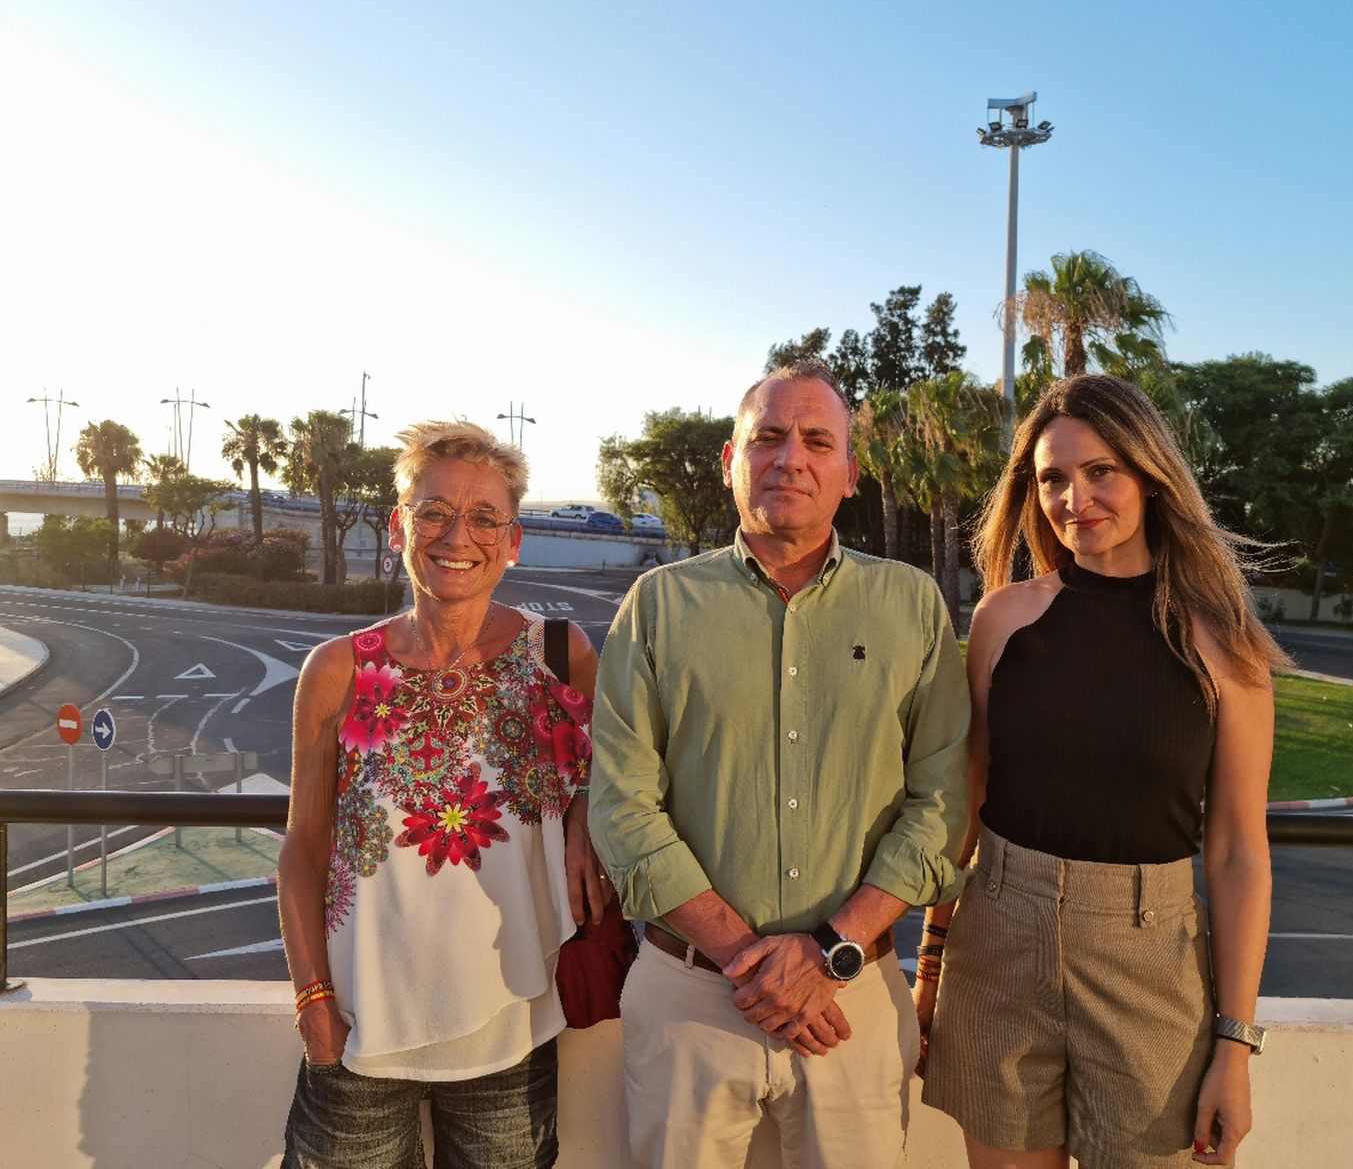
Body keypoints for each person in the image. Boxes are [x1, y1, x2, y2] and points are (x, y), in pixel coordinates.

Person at [588, 360, 971, 1169]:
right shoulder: (657, 607)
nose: (789, 457)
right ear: (731, 461)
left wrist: (828, 950)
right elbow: (622, 805)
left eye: (815, 440)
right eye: (766, 437)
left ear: (847, 473)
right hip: (689, 994)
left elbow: (942, 802)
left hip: (851, 998)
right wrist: (747, 959)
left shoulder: (912, 606)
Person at [919, 375, 1287, 1169]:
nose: (1073, 499)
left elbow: (1236, 854)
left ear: (1151, 476)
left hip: (1149, 960)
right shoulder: (1003, 620)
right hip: (999, 947)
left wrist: (1236, 1044)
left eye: (1100, 472)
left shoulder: (1225, 647)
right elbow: (966, 804)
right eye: (1051, 477)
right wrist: (929, 971)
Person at [277, 419, 609, 1169]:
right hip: (360, 1036)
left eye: (485, 517)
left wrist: (587, 808)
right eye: (433, 512)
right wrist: (312, 1002)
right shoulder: (339, 671)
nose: (458, 535)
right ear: (400, 526)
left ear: (513, 539)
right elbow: (301, 849)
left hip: (511, 1034)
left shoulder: (560, 655)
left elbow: (625, 767)